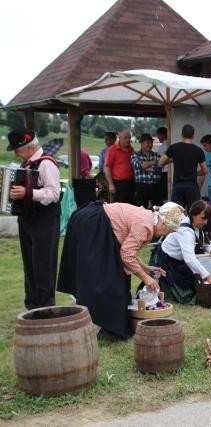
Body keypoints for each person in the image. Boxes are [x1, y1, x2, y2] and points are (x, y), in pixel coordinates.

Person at [57, 202, 184, 338]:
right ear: (163, 223)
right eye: (168, 231)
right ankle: (96, 323)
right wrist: (146, 278)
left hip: (94, 220)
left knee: (112, 277)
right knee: (103, 279)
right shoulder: (145, 225)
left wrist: (145, 268)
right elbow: (126, 255)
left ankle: (103, 325)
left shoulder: (147, 219)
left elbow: (127, 250)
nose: (165, 234)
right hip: (94, 224)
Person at [7, 128, 61, 310]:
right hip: (28, 220)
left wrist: (28, 193)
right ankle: (32, 305)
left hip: (45, 221)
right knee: (29, 265)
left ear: (28, 147)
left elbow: (54, 193)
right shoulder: (27, 164)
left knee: (43, 265)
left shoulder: (46, 163)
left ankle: (46, 307)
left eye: (17, 149)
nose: (15, 153)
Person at [152, 200, 211, 303]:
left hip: (178, 263)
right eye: (203, 218)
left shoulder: (194, 225)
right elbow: (190, 259)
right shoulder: (185, 231)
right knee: (186, 295)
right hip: (165, 263)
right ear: (193, 215)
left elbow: (204, 241)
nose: (205, 222)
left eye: (207, 219)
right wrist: (209, 277)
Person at [159, 124, 207, 211]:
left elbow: (160, 162)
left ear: (181, 135)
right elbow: (205, 170)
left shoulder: (173, 148)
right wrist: (195, 173)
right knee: (194, 215)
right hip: (192, 187)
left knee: (176, 216)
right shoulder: (198, 150)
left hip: (178, 186)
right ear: (193, 135)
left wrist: (172, 159)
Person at [131, 133, 162, 208]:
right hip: (142, 186)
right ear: (141, 143)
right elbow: (141, 166)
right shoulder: (135, 155)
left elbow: (159, 168)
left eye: (151, 142)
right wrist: (153, 163)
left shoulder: (156, 155)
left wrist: (146, 166)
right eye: (147, 142)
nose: (150, 145)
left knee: (158, 209)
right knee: (141, 210)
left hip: (156, 186)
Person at [104, 129, 135, 203]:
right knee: (118, 207)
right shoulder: (113, 149)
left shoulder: (131, 149)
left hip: (130, 182)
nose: (128, 140)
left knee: (130, 205)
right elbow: (107, 167)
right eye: (125, 138)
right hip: (118, 183)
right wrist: (111, 184)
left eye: (129, 138)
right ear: (119, 138)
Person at [156, 127, 169, 201]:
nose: (158, 137)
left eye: (159, 135)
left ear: (163, 135)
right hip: (169, 171)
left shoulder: (163, 146)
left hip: (164, 172)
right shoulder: (170, 144)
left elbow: (159, 161)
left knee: (164, 194)